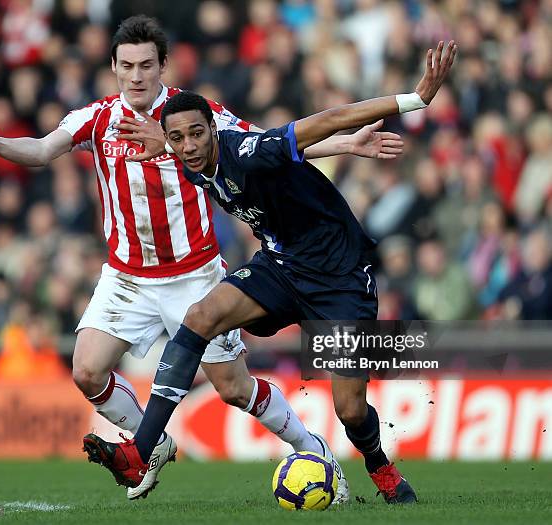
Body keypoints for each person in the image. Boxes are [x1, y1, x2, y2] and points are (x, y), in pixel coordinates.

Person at [0, 15, 403, 501]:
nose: (136, 76)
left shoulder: (194, 118)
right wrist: (2, 144)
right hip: (127, 276)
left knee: (234, 390)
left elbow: (267, 143)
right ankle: (151, 446)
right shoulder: (95, 117)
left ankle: (312, 447)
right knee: (86, 370)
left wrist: (345, 143)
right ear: (112, 66)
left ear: (163, 67)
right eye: (127, 65)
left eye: (146, 65)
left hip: (194, 274)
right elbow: (44, 148)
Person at [82, 41, 457, 504]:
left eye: (197, 135)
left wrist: (414, 99)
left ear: (214, 132)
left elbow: (325, 119)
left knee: (349, 409)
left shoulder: (250, 151)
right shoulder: (187, 156)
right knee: (200, 317)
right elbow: (173, 140)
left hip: (340, 281)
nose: (188, 146)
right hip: (279, 269)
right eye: (177, 139)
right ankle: (142, 451)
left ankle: (379, 466)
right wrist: (163, 139)